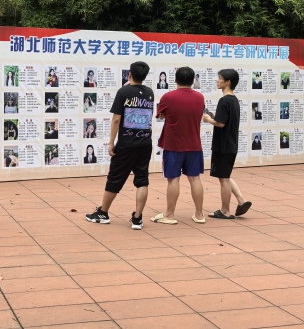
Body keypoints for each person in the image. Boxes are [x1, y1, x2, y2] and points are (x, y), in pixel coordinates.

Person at [86, 61, 154, 230]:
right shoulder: (150, 93)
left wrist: (111, 142)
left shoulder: (123, 92)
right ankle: (137, 219)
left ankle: (103, 213)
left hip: (126, 144)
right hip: (145, 143)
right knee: (142, 179)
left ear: (129, 75)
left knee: (115, 178)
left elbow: (116, 119)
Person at [153, 66, 205, 225]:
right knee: (195, 179)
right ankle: (199, 214)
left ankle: (169, 215)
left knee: (173, 179)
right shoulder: (200, 97)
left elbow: (161, 115)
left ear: (175, 79)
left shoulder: (168, 97)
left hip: (173, 145)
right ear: (193, 80)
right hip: (194, 145)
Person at [203, 69, 252, 219]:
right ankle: (241, 200)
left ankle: (225, 210)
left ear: (228, 82)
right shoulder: (234, 100)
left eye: (220, 78)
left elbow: (221, 123)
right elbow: (224, 120)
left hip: (223, 146)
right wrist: (214, 117)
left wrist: (208, 120)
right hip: (231, 144)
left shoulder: (224, 101)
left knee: (223, 178)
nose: (217, 81)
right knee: (225, 175)